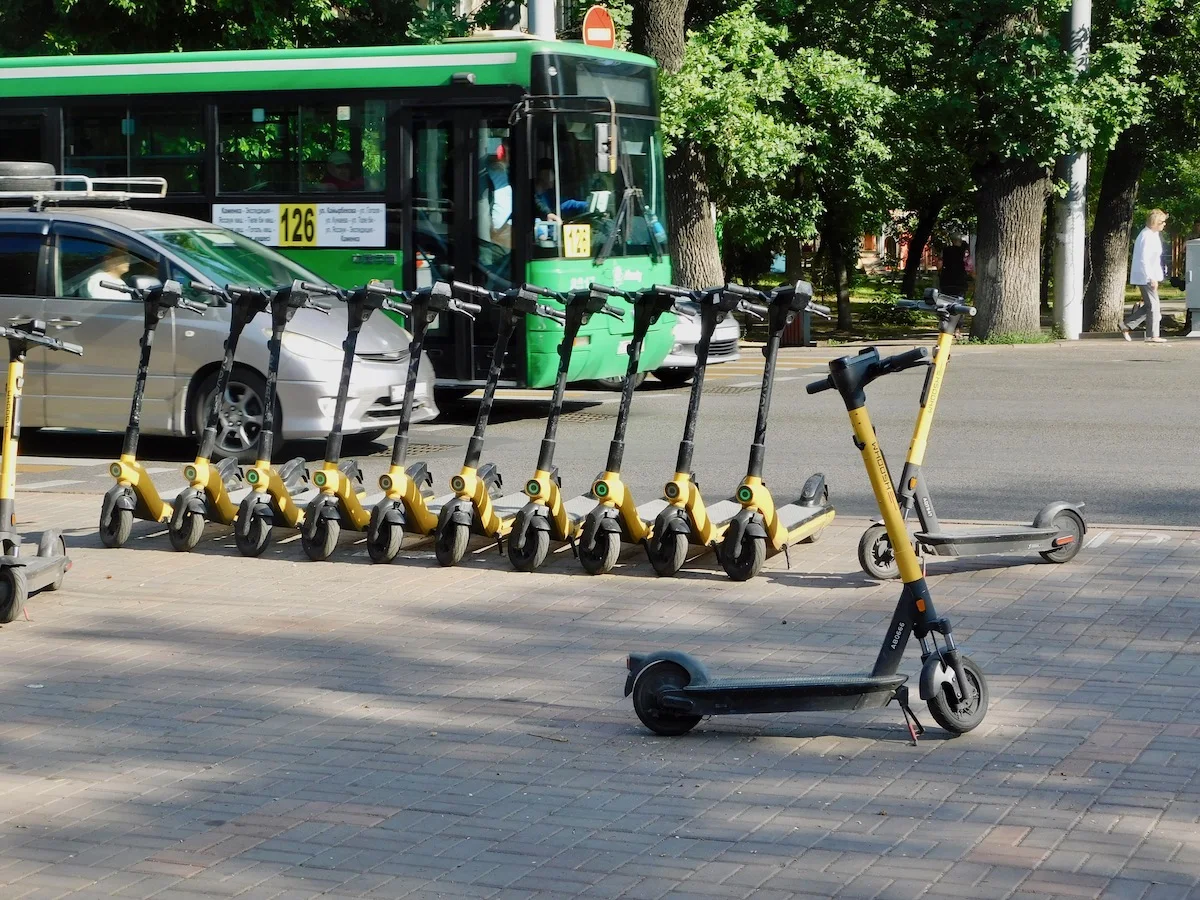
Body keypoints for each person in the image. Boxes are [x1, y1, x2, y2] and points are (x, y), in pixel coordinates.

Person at [1122, 209, 1169, 343]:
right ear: (1155, 222)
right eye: (1162, 222)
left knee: (1149, 306)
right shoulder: (1146, 236)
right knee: (1154, 306)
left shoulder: (1152, 235)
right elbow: (1144, 259)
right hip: (1146, 276)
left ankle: (1126, 326)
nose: (1164, 225)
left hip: (1148, 275)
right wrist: (1151, 277)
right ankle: (1153, 335)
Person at [938, 234, 970, 299]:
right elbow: (968, 266)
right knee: (959, 302)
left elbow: (939, 265)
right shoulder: (964, 252)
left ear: (952, 241)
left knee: (945, 301)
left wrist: (939, 272)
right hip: (960, 281)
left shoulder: (945, 250)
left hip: (946, 280)